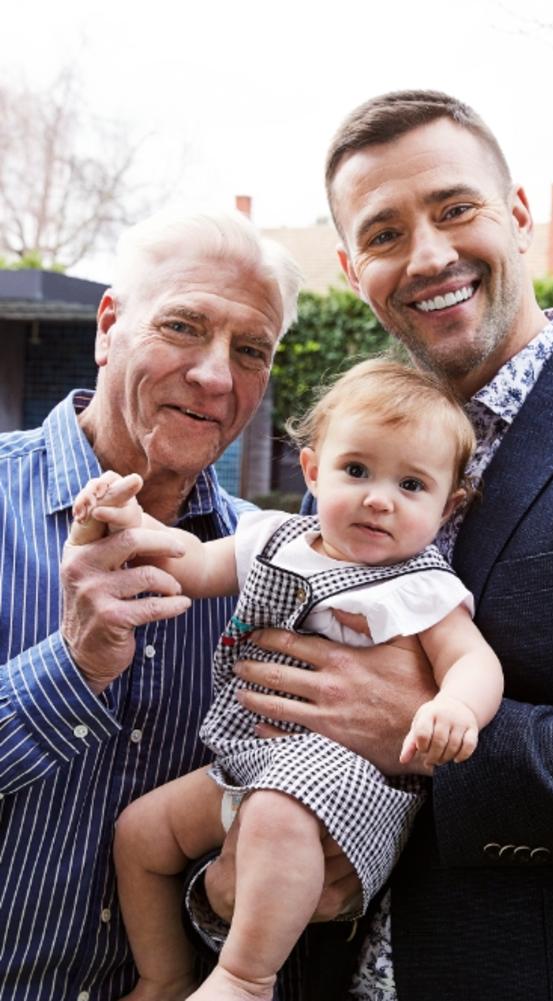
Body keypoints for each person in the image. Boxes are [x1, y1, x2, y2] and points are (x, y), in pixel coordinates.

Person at [197, 91, 553, 1000]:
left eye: (455, 209)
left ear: (517, 216)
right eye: (384, 233)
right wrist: (229, 885)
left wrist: (434, 738)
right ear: (351, 267)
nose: (430, 255)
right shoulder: (372, 442)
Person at [69, 356, 503, 1001]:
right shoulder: (275, 538)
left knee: (276, 814)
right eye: (356, 470)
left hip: (344, 784)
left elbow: (474, 661)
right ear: (312, 470)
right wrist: (130, 523)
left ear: (448, 508)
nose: (378, 498)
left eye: (412, 485)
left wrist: (457, 709)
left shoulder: (423, 587)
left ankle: (246, 978)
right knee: (139, 832)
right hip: (248, 757)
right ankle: (163, 976)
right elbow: (187, 561)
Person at [0, 208, 303, 1000]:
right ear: (108, 326)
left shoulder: (270, 569)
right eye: (183, 326)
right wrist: (70, 666)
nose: (214, 376)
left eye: (250, 352)